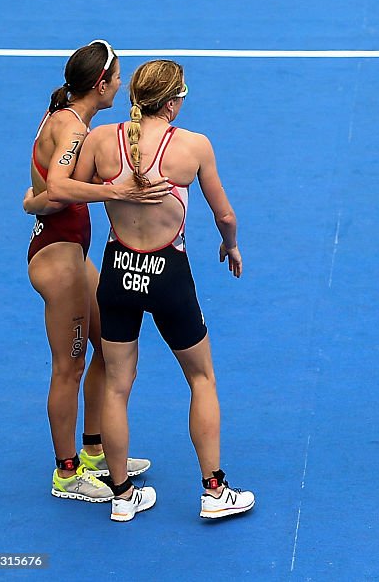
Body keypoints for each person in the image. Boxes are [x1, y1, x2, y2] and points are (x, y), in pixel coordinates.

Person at [68, 59, 254, 522]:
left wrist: (114, 192)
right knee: (201, 378)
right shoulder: (192, 147)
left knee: (116, 386)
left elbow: (62, 190)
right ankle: (214, 490)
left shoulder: (101, 140)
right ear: (173, 103)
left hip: (118, 270)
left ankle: (122, 495)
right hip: (168, 274)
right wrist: (230, 247)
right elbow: (225, 216)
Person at [24, 40, 165, 503]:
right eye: (118, 77)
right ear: (100, 85)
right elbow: (62, 187)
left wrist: (33, 202)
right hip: (59, 261)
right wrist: (119, 191)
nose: (121, 85)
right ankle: (66, 474)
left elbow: (44, 192)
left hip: (72, 253)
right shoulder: (74, 130)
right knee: (70, 365)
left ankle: (93, 450)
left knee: (108, 343)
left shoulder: (66, 119)